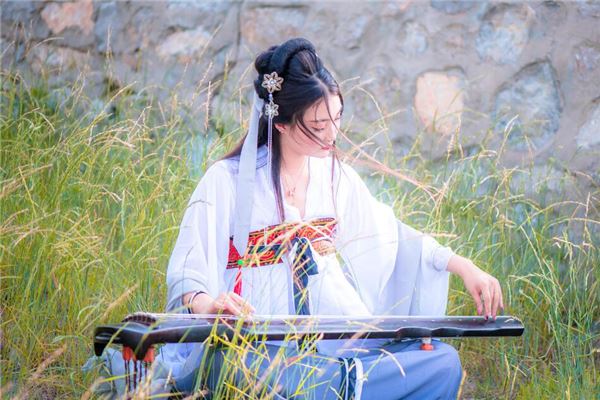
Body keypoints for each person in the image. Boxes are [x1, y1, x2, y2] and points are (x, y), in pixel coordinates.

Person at [162, 38, 504, 399]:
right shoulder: (227, 181)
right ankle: (342, 386)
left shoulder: (334, 177)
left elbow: (392, 238)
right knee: (231, 366)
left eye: (337, 119)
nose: (332, 135)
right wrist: (209, 305)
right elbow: (188, 270)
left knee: (442, 362)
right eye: (318, 125)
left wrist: (462, 266)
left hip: (338, 346)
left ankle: (339, 383)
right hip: (262, 353)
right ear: (281, 124)